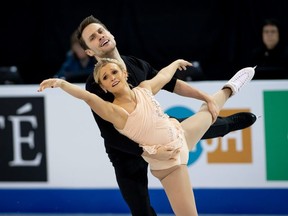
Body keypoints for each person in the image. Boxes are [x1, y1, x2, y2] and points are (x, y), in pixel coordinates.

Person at [70, 15, 257, 215]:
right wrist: (147, 151)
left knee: (193, 127)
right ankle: (223, 115)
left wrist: (205, 96)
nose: (99, 36)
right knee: (140, 209)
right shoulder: (96, 84)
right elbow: (110, 134)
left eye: (100, 31)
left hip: (156, 131)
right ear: (89, 51)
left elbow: (170, 82)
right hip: (127, 151)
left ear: (110, 33)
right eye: (92, 37)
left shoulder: (135, 64)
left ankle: (226, 123)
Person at [38, 57, 255, 215]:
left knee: (207, 111)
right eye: (105, 77)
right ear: (103, 87)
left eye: (114, 72)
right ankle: (225, 111)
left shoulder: (144, 88)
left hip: (181, 134)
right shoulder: (114, 112)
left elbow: (162, 76)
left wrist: (175, 63)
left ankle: (230, 88)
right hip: (168, 163)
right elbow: (87, 97)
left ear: (124, 73)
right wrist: (61, 83)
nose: (111, 77)